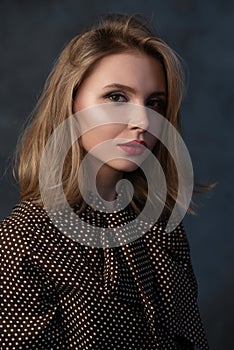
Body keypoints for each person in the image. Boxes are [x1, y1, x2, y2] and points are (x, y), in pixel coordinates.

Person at [0, 13, 209, 349]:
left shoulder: (161, 230)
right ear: (71, 104)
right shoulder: (22, 244)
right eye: (116, 97)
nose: (142, 120)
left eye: (154, 103)